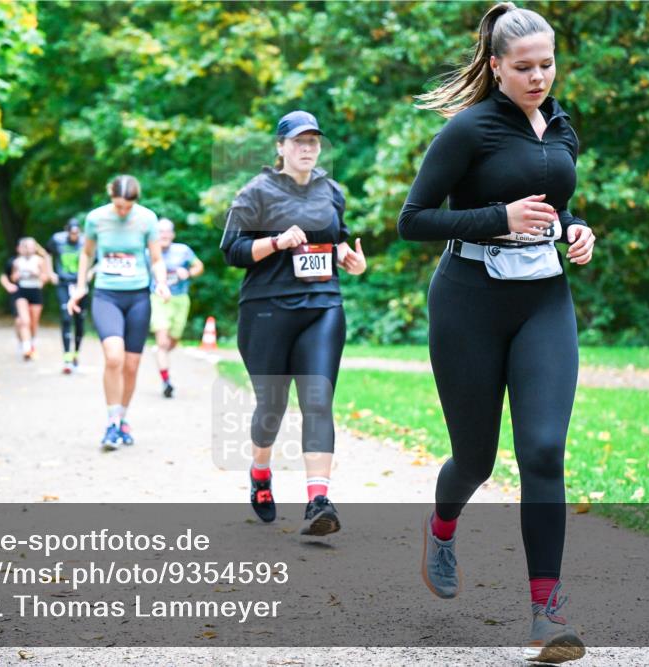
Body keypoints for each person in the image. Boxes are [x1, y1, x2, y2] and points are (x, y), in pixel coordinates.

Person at [397, 3, 596, 663]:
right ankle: (443, 526)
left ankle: (547, 612)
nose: (539, 77)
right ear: (496, 67)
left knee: (542, 450)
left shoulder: (561, 124)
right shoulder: (468, 130)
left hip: (544, 302)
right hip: (469, 303)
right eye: (525, 67)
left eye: (547, 64)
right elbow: (413, 219)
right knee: (476, 459)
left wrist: (574, 227)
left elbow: (553, 199)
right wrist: (494, 218)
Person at [220, 110, 367, 537]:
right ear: (280, 147)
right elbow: (231, 250)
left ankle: (318, 501)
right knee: (272, 405)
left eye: (314, 142)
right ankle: (261, 473)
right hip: (266, 309)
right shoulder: (255, 193)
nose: (307, 148)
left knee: (317, 400)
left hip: (322, 305)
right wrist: (276, 241)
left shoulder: (331, 190)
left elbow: (335, 237)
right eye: (299, 142)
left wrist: (347, 258)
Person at [68, 175, 171, 450]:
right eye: (118, 206)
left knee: (131, 365)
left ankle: (123, 418)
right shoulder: (96, 218)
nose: (123, 211)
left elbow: (157, 258)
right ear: (110, 196)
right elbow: (87, 254)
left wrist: (160, 282)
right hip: (106, 295)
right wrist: (80, 286)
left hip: (138, 296)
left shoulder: (147, 219)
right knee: (113, 357)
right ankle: (112, 422)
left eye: (128, 207)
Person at [150, 217, 204, 397]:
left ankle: (160, 354)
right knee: (162, 341)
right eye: (160, 231)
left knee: (171, 342)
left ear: (172, 234)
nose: (163, 234)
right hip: (158, 299)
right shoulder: (148, 251)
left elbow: (199, 267)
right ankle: (166, 381)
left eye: (167, 231)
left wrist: (188, 272)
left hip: (180, 299)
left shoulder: (183, 250)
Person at [48, 218, 87, 374]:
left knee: (80, 320)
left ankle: (76, 353)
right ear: (67, 231)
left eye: (76, 233)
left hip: (80, 285)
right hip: (63, 283)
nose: (74, 236)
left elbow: (96, 258)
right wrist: (50, 272)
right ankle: (66, 357)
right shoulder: (57, 240)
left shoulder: (85, 241)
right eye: (71, 233)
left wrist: (89, 273)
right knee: (65, 317)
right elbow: (47, 253)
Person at [10, 237, 53, 361]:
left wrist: (37, 274)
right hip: (22, 291)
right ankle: (26, 347)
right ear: (22, 248)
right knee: (24, 320)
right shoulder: (17, 262)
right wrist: (16, 276)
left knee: (34, 322)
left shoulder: (39, 261)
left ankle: (32, 342)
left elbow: (46, 278)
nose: (28, 248)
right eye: (26, 246)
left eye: (31, 246)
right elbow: (13, 277)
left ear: (34, 247)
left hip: (35, 291)